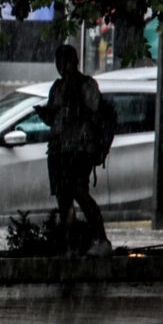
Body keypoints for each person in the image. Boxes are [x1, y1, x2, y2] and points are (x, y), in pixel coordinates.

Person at [35, 45, 111, 256]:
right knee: (63, 198)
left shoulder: (86, 85)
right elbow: (54, 118)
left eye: (65, 62)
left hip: (80, 149)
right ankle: (69, 245)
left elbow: (94, 114)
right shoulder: (57, 87)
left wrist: (74, 104)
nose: (62, 68)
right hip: (59, 150)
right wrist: (46, 114)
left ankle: (101, 239)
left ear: (74, 62)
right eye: (59, 63)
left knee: (80, 192)